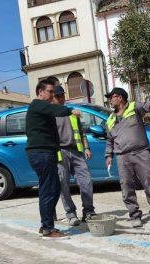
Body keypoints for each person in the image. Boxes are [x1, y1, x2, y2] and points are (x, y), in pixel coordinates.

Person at [105, 87, 150, 227]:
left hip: (140, 153)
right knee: (126, 186)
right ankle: (134, 215)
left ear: (120, 97)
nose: (110, 100)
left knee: (149, 183)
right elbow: (109, 140)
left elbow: (147, 106)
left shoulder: (134, 107)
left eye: (112, 97)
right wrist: (108, 155)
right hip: (122, 157)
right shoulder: (110, 119)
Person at [25, 79, 81, 239]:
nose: (52, 95)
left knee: (52, 188)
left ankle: (46, 226)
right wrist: (71, 110)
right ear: (40, 92)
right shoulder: (37, 104)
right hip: (41, 153)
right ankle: (48, 228)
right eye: (49, 92)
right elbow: (56, 110)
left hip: (45, 153)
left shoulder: (42, 109)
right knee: (49, 189)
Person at [52, 85, 96, 226]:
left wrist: (87, 147)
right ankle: (70, 213)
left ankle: (88, 211)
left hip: (76, 151)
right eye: (58, 96)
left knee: (86, 181)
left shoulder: (72, 112)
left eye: (62, 96)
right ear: (53, 98)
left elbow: (81, 132)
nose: (61, 99)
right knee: (62, 183)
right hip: (60, 152)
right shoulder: (50, 114)